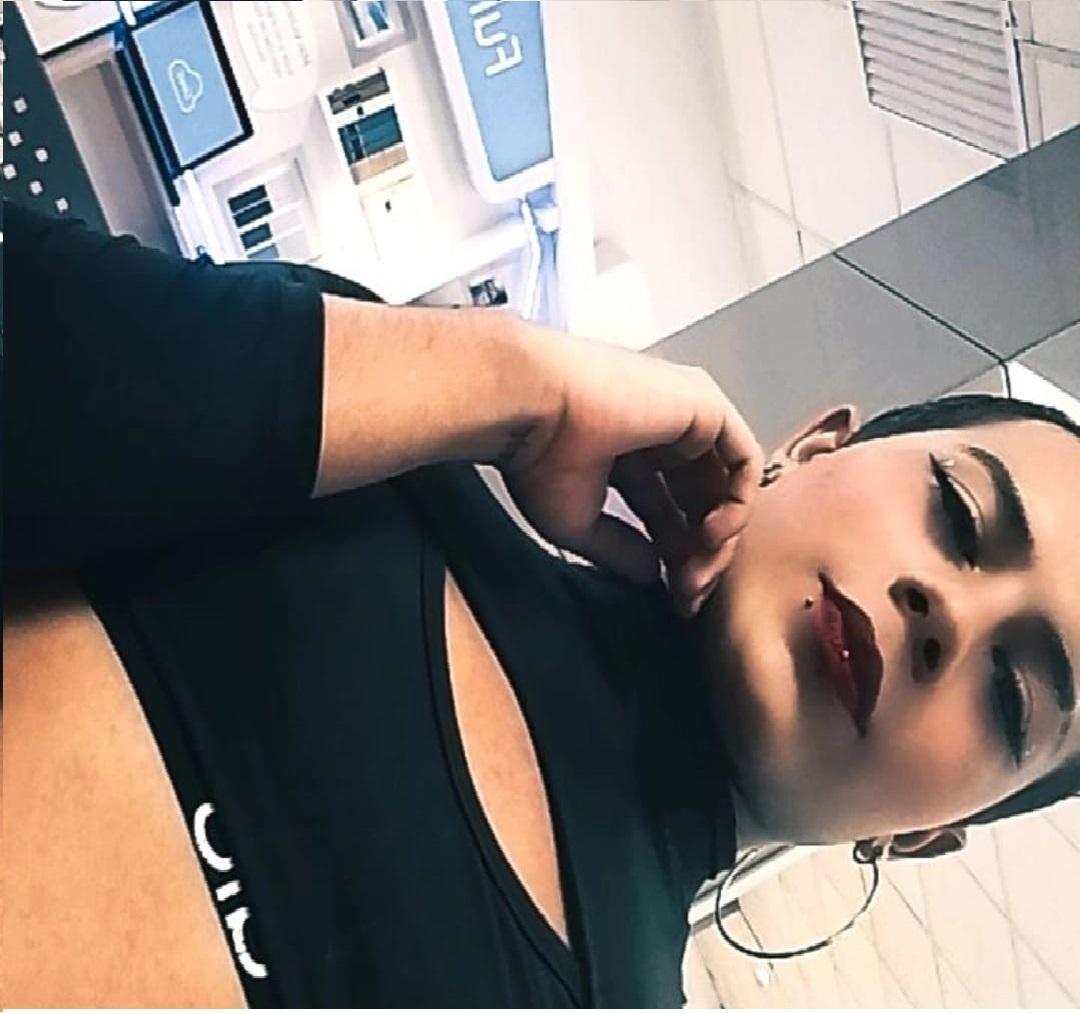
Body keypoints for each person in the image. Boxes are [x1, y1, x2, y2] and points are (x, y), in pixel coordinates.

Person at [3, 202, 1078, 1007]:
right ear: (811, 448)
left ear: (924, 835)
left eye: (1012, 697)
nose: (948, 615)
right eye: (958, 511)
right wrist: (499, 375)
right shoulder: (380, 452)